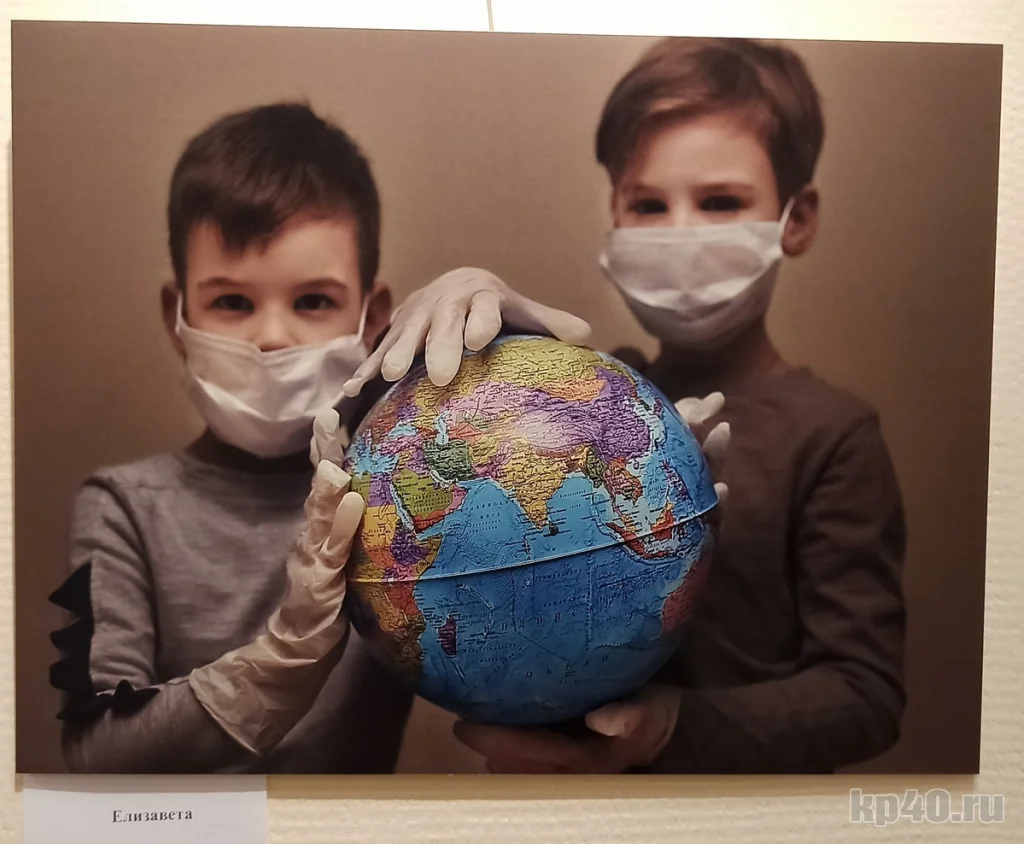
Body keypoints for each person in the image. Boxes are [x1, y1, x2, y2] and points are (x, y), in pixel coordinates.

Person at [349, 37, 907, 775]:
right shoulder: (583, 398)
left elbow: (866, 695)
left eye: (720, 202)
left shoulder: (833, 435)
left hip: (744, 816)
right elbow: (407, 462)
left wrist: (674, 727)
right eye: (648, 204)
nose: (680, 232)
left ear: (795, 218)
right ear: (613, 213)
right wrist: (446, 328)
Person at [46, 101, 595, 774]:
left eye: (313, 301)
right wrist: (281, 662)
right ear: (176, 315)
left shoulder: (403, 491)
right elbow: (96, 751)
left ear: (373, 316)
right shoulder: (124, 507)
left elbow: (554, 630)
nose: (272, 336)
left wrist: (505, 343)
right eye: (231, 301)